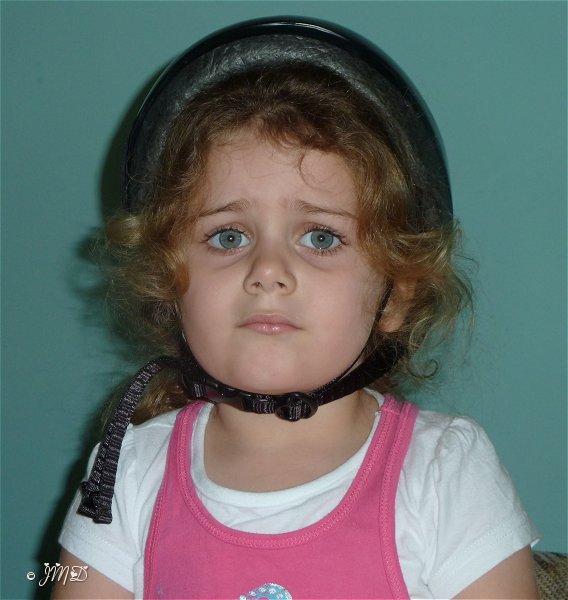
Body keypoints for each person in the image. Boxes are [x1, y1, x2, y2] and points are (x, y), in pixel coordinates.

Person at [54, 18, 539, 600]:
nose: (267, 270)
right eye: (229, 237)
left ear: (396, 294)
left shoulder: (445, 473)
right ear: (168, 284)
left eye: (320, 238)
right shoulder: (126, 469)